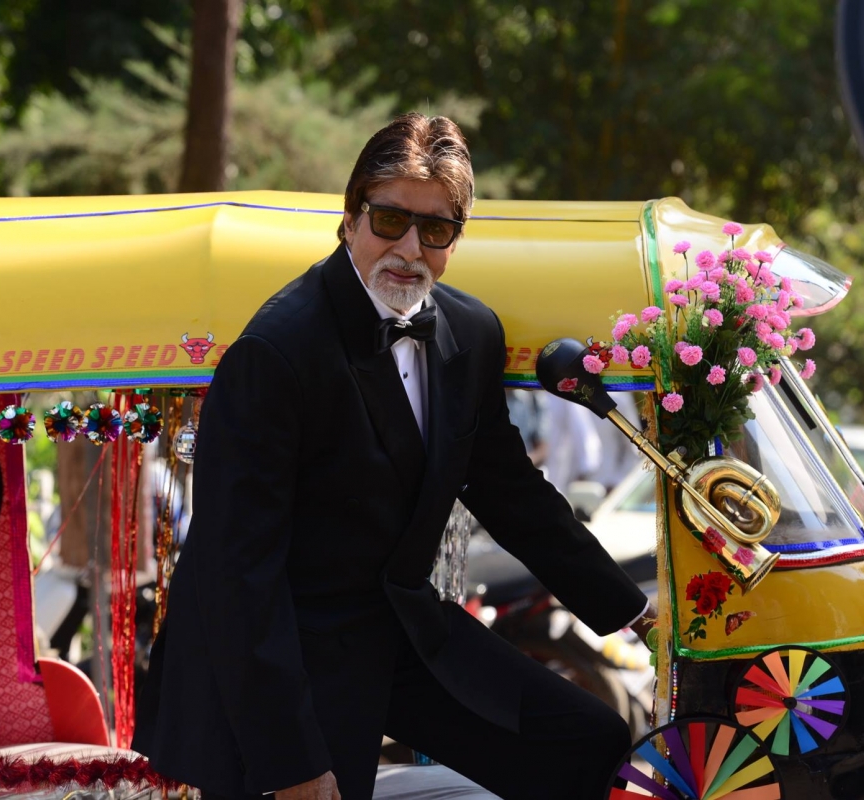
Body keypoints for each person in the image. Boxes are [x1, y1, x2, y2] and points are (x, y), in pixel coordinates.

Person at [134, 114, 655, 800]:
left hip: (400, 629)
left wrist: (634, 613)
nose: (408, 248)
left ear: (454, 240)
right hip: (281, 650)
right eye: (389, 220)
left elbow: (511, 492)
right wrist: (289, 762)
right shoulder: (277, 350)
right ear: (350, 219)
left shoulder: (470, 333)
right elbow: (239, 576)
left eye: (435, 229)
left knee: (587, 742)